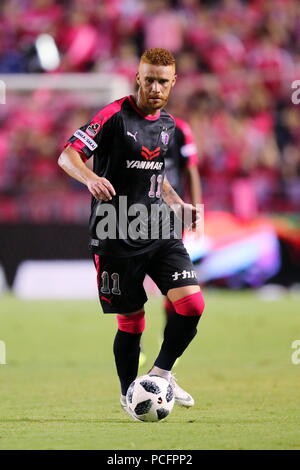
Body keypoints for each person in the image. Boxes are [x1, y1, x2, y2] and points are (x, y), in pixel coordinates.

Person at [58, 48, 205, 419]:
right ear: (138, 78)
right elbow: (67, 156)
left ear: (174, 84)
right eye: (149, 79)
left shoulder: (169, 125)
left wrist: (178, 204)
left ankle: (160, 375)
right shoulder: (112, 115)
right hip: (116, 232)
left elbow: (158, 177)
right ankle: (130, 395)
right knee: (133, 320)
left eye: (163, 81)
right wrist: (91, 178)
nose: (155, 87)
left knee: (192, 305)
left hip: (159, 228)